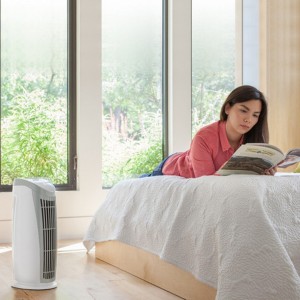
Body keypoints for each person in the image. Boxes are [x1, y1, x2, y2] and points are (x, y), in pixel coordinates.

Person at [141, 85, 276, 178]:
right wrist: (229, 169)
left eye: (255, 115)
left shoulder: (254, 140)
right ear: (228, 108)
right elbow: (206, 183)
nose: (248, 120)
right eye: (243, 110)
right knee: (135, 185)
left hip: (191, 156)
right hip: (171, 167)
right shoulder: (204, 137)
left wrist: (265, 173)